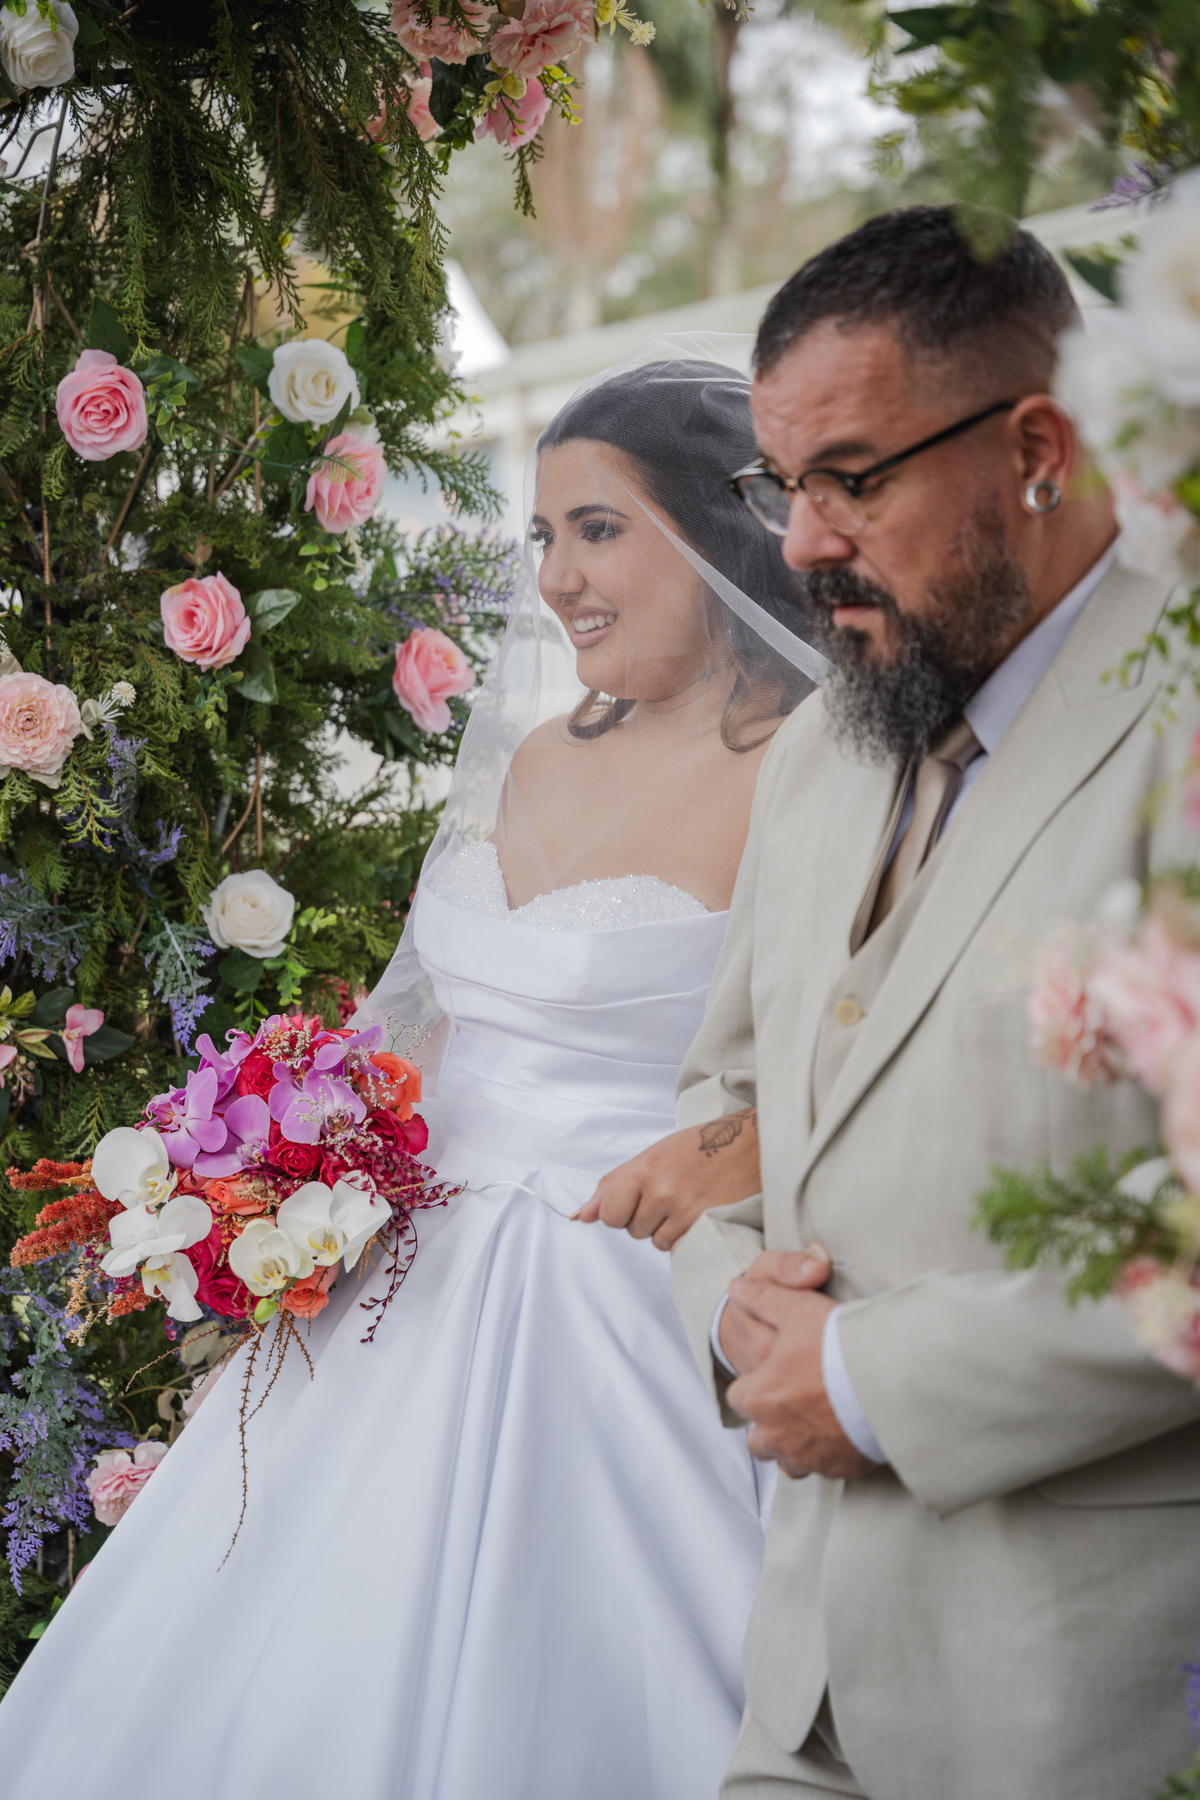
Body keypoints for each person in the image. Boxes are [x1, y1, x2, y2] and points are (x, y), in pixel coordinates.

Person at [0, 348, 828, 1800]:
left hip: (616, 1282)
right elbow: (441, 1024)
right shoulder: (532, 761)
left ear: (719, 532)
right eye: (544, 534)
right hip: (401, 1269)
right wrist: (282, 1173)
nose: (560, 574)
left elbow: (843, 1054)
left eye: (601, 528)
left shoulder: (813, 770)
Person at [585, 211, 1200, 1799]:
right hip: (797, 1692)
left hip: (1089, 1711)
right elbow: (715, 1117)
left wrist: (873, 1383)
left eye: (852, 478)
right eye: (777, 487)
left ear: (1041, 449)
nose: (796, 545)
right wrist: (725, 1303)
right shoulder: (822, 744)